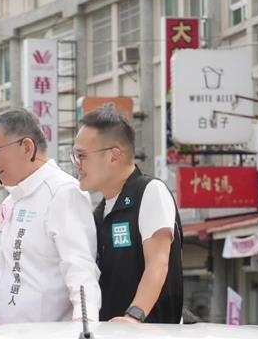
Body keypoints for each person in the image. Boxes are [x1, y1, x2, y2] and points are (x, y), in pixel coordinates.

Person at [0, 108, 101, 324]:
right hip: (7, 338)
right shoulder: (13, 200)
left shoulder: (62, 192)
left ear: (27, 147)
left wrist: (84, 323)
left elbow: (80, 266)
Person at [74, 108, 184, 324]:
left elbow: (158, 263)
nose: (77, 164)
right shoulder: (99, 214)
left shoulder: (150, 192)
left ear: (114, 155)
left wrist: (133, 316)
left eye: (82, 156)